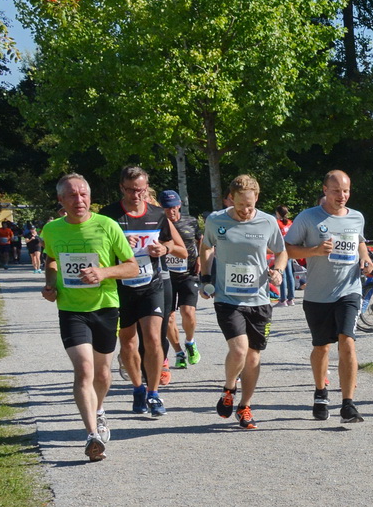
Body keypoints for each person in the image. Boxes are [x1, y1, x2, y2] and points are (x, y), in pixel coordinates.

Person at [39, 174, 140, 460]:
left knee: (103, 373)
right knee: (84, 370)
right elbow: (51, 259)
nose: (79, 200)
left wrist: (103, 272)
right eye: (72, 195)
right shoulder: (52, 230)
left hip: (105, 306)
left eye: (83, 194)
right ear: (61, 200)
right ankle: (92, 435)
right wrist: (51, 284)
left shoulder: (107, 226)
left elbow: (132, 267)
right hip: (71, 310)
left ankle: (99, 409)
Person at [286, 170, 373, 422]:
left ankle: (348, 404)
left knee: (347, 340)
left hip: (349, 290)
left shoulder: (356, 217)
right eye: (336, 191)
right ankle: (320, 392)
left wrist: (365, 257)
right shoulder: (308, 217)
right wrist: (313, 250)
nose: (342, 196)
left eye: (346, 191)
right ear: (325, 190)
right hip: (317, 295)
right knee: (321, 347)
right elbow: (288, 250)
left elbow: (359, 242)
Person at [200, 175, 286, 430]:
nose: (245, 211)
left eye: (249, 205)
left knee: (253, 357)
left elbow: (281, 251)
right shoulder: (217, 221)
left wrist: (278, 270)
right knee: (239, 349)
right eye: (240, 206)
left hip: (259, 299)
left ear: (256, 198)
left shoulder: (268, 222)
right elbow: (206, 247)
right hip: (228, 298)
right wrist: (206, 276)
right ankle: (228, 388)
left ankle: (245, 405)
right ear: (231, 199)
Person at [101, 166, 184, 418]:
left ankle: (154, 393)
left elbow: (178, 247)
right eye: (130, 190)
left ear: (146, 188)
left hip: (152, 285)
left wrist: (164, 250)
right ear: (121, 188)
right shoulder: (108, 216)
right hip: (121, 287)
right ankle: (137, 387)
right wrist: (118, 246)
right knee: (127, 340)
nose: (136, 195)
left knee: (153, 338)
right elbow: (97, 253)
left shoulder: (158, 214)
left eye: (140, 190)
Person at [159, 191, 202, 368]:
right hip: (165, 276)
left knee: (188, 311)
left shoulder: (190, 221)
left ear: (179, 205)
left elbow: (200, 240)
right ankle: (178, 352)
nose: (171, 211)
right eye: (167, 208)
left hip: (188, 273)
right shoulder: (158, 223)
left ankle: (190, 342)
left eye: (174, 206)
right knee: (168, 318)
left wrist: (199, 258)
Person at [273, 204, 297, 305]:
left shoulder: (277, 223)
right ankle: (291, 298)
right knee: (290, 274)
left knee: (281, 273)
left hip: (280, 250)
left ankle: (283, 299)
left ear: (278, 213)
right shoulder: (290, 223)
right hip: (290, 248)